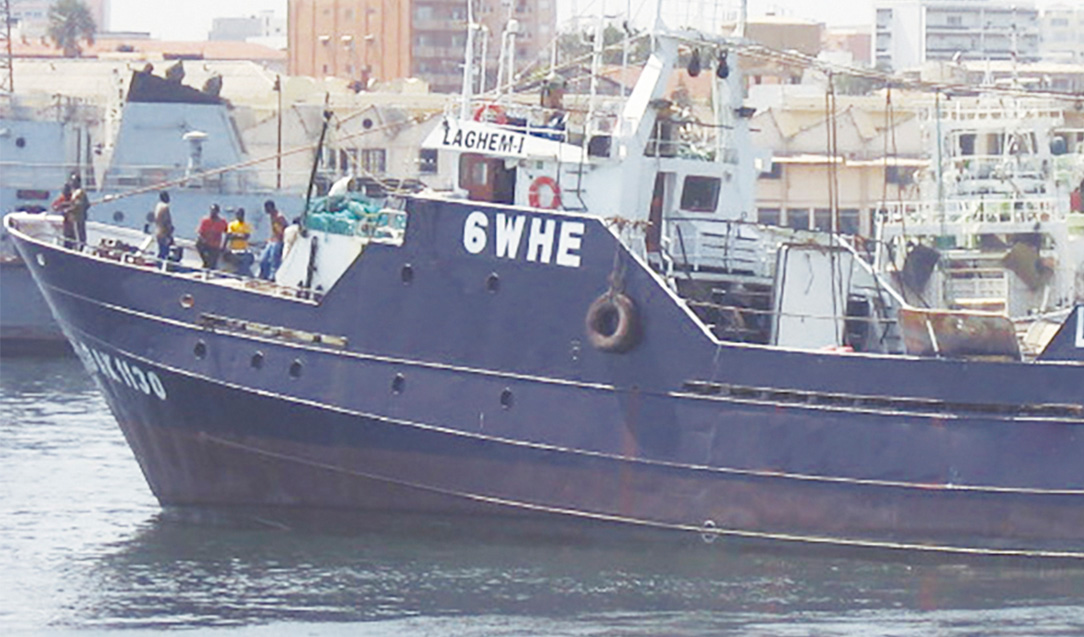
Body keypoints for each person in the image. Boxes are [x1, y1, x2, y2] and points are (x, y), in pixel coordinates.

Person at [258, 199, 287, 280]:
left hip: (278, 242)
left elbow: (284, 228)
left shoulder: (279, 217)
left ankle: (272, 277)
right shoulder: (272, 216)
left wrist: (281, 239)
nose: (265, 210)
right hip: (272, 241)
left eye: (266, 208)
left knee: (274, 261)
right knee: (263, 259)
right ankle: (264, 275)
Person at [223, 208, 255, 276]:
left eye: (241, 214)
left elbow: (246, 236)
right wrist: (240, 236)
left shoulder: (246, 225)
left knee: (247, 259)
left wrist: (236, 235)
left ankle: (243, 273)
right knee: (237, 260)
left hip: (243, 250)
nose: (239, 216)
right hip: (233, 249)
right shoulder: (231, 224)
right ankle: (243, 273)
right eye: (238, 214)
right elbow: (229, 236)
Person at [195, 204, 228, 269]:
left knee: (212, 265)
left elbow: (228, 233)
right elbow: (200, 233)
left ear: (218, 212)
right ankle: (205, 262)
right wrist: (203, 240)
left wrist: (224, 246)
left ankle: (210, 264)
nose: (212, 213)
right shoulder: (205, 221)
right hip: (206, 244)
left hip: (215, 246)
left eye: (214, 211)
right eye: (211, 211)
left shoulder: (222, 222)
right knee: (198, 243)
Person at [63, 175, 89, 250]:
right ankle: (75, 247)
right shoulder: (74, 192)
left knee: (79, 235)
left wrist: (69, 209)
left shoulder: (80, 192)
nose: (72, 183)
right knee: (74, 235)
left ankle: (80, 249)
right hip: (74, 218)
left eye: (74, 181)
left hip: (78, 218)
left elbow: (79, 204)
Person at [153, 191, 174, 261]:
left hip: (158, 231)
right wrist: (169, 232)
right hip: (164, 233)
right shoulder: (165, 207)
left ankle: (158, 263)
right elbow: (166, 221)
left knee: (160, 250)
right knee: (164, 253)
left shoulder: (158, 206)